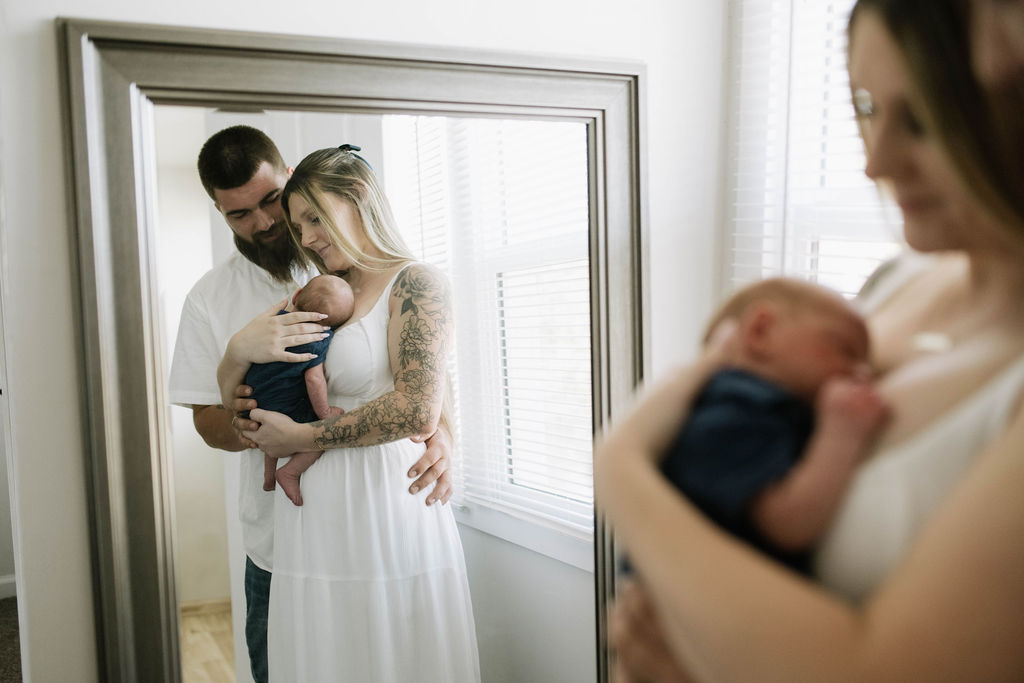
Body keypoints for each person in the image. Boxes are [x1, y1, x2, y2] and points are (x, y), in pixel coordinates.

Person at [597, 0, 1024, 681]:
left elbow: (876, 667)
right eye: (866, 106)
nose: (875, 163)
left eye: (922, 118)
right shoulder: (897, 281)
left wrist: (620, 468)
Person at [167, 126, 455, 683]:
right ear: (220, 215)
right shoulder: (208, 298)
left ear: (291, 180)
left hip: (376, 516)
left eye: (273, 202)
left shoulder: (345, 263)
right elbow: (207, 421)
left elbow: (419, 370)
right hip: (281, 537)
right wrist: (236, 360)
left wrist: (444, 431)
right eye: (239, 215)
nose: (267, 224)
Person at [642, 277, 887, 575]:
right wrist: (841, 434)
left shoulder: (756, 408)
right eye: (846, 349)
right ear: (761, 331)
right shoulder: (734, 411)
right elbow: (788, 524)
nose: (862, 373)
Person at [244, 274, 355, 506]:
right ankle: (289, 472)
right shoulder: (318, 338)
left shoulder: (273, 323)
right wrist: (324, 413)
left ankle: (268, 476)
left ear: (296, 295)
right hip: (284, 407)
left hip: (253, 400)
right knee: (322, 436)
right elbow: (314, 379)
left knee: (269, 430)